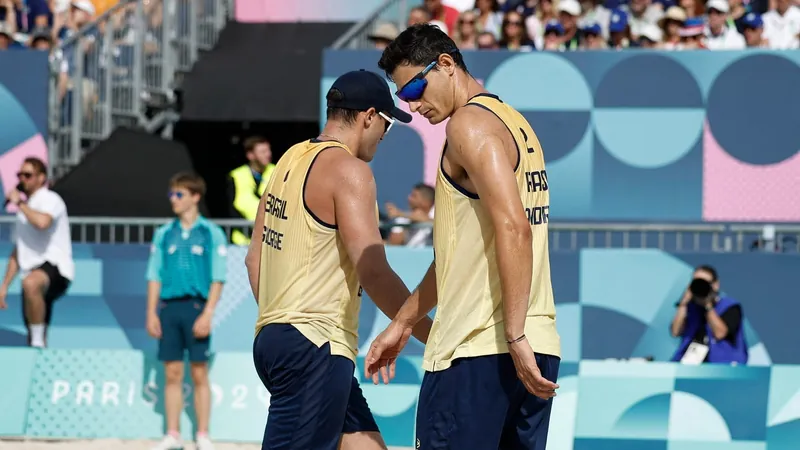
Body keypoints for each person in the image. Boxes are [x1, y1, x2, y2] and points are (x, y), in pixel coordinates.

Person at [364, 24, 561, 450]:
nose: (413, 105)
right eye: (404, 96)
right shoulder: (514, 122)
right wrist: (403, 322)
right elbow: (461, 257)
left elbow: (514, 228)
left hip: (477, 350)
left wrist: (512, 335)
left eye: (415, 86)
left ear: (447, 65)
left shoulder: (467, 126)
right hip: (535, 344)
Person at [244, 69, 433, 450]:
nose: (383, 135)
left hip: (276, 337)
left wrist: (283, 325)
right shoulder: (350, 170)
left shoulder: (289, 159)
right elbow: (374, 271)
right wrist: (432, 335)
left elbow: (254, 260)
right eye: (386, 124)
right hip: (313, 345)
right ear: (368, 117)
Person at [146, 172, 227, 450]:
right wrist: (151, 312)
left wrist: (208, 314)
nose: (173, 200)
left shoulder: (211, 233)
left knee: (199, 373)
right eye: (171, 194)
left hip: (196, 307)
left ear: (195, 197)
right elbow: (154, 275)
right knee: (171, 373)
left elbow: (218, 277)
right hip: (169, 308)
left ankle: (203, 434)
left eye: (179, 194)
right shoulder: (163, 233)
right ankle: (173, 433)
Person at [0, 157, 73, 348]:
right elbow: (19, 251)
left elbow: (42, 223)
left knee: (31, 283)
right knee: (35, 327)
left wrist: (20, 204)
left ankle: (38, 343)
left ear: (41, 178)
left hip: (56, 268)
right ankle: (38, 348)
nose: (22, 179)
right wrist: (4, 286)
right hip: (32, 272)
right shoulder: (23, 213)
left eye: (28, 175)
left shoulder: (50, 199)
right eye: (19, 175)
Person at [670, 265, 747, 365]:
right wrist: (683, 303)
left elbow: (720, 333)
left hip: (721, 365)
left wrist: (707, 305)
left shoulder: (730, 306)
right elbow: (675, 331)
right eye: (696, 282)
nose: (701, 286)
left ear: (715, 284)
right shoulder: (690, 308)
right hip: (689, 365)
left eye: (704, 283)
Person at [228, 136, 276, 246]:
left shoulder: (277, 171)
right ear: (250, 155)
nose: (268, 154)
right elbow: (231, 209)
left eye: (268, 150)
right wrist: (252, 233)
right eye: (263, 152)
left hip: (270, 241)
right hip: (242, 241)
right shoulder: (236, 176)